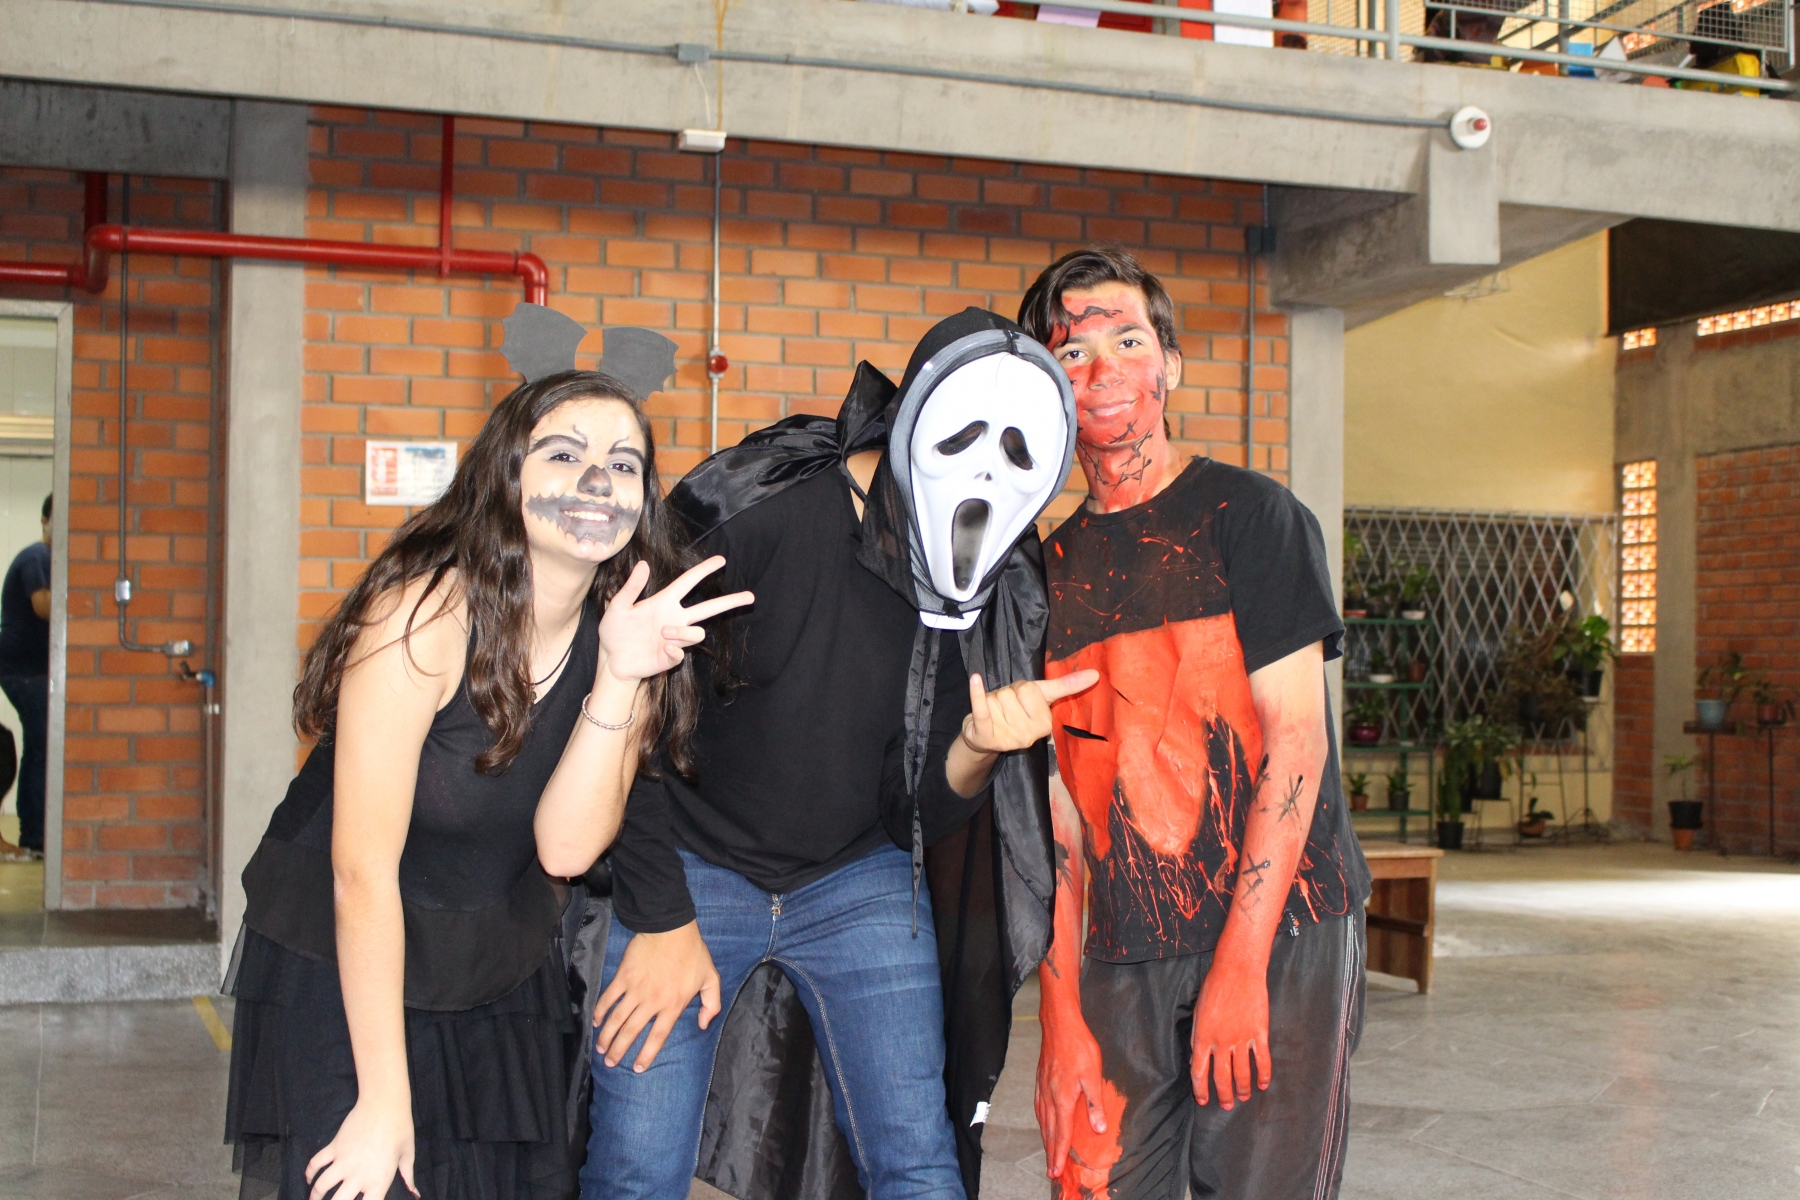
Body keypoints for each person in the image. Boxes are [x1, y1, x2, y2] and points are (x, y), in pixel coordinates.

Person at [583, 307, 1094, 1200]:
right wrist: (660, 916)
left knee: (918, 1163)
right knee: (636, 1166)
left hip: (859, 877)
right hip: (690, 862)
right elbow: (627, 716)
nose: (985, 471)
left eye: (1020, 453)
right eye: (967, 435)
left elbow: (915, 808)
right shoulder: (760, 515)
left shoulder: (987, 582)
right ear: (913, 418)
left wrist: (974, 747)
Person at [223, 357, 752, 1200]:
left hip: (490, 949)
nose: (597, 480)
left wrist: (620, 677)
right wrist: (383, 1100)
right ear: (507, 477)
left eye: (623, 464)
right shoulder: (422, 616)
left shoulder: (631, 636)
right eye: (565, 454)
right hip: (348, 942)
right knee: (370, 1171)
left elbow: (566, 849)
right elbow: (361, 873)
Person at [1018, 249, 1371, 1200]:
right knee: (1089, 1183)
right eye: (1072, 352)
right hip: (1120, 945)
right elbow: (1051, 813)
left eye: (1129, 342)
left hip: (1282, 932)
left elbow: (1297, 743)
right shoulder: (1038, 574)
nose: (1103, 370)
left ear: (1170, 363)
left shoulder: (1252, 518)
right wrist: (1059, 1019)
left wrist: (1240, 968)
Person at [0, 493, 51, 863]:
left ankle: (35, 833)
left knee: (39, 745)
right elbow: (43, 605)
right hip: (23, 670)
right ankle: (34, 834)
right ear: (45, 521)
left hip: (31, 670)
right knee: (41, 745)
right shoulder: (38, 556)